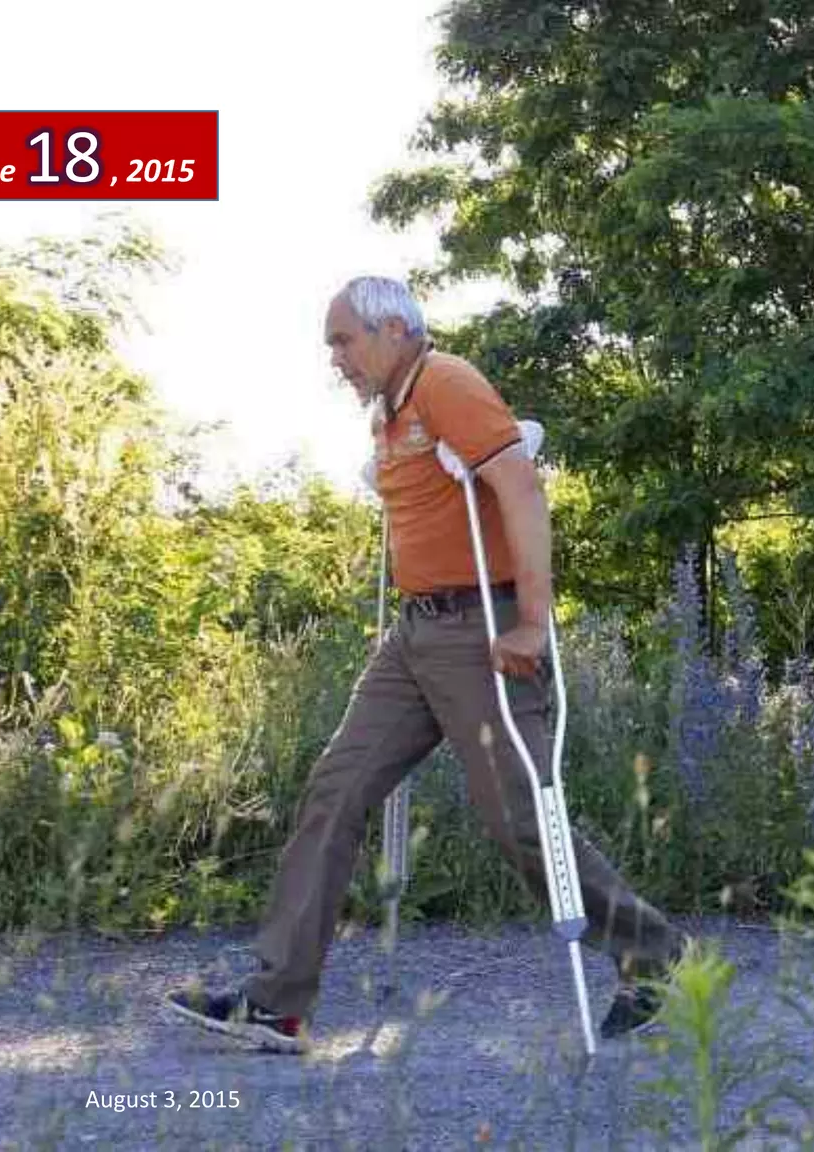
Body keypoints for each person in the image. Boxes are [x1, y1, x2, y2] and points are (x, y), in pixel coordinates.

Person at [165, 277, 684, 1052]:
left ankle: (657, 958)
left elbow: (522, 490)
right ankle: (277, 1003)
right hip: (414, 638)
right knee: (335, 787)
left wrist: (534, 622)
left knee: (519, 817)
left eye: (343, 340)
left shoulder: (448, 382)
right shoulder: (389, 410)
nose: (334, 358)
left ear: (394, 330)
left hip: (483, 630)